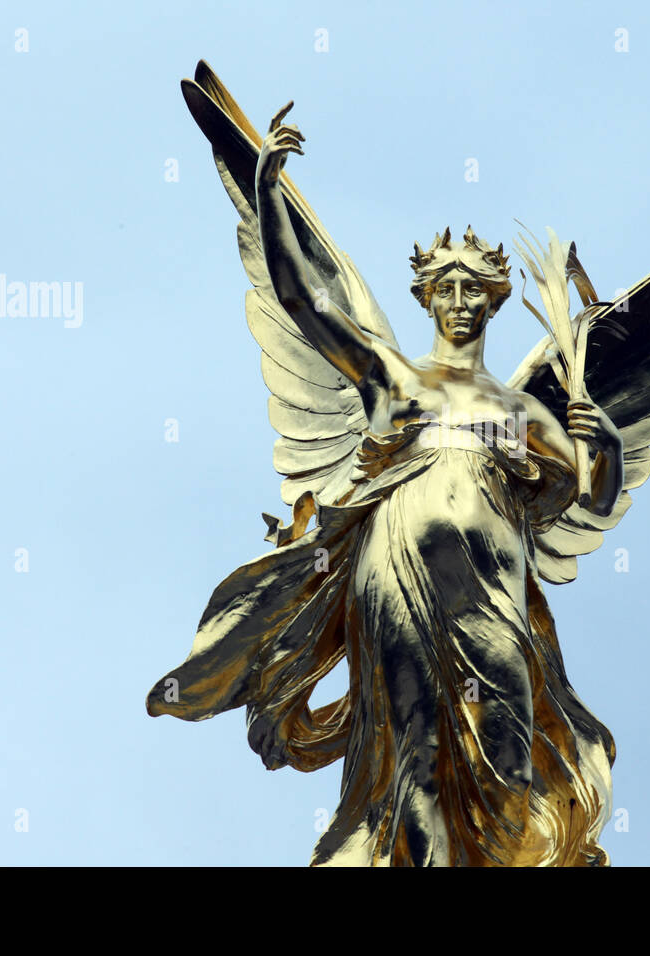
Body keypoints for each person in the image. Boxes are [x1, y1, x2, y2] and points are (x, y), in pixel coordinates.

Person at [147, 106, 624, 866]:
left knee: (507, 757)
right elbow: (306, 303)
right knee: (416, 758)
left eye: (476, 291)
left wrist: (612, 450)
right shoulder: (394, 381)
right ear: (427, 299)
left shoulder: (523, 411)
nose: (461, 303)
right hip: (396, 574)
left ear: (497, 301)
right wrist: (269, 193)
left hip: (493, 591)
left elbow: (587, 500)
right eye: (447, 290)